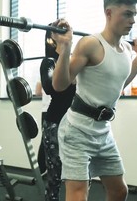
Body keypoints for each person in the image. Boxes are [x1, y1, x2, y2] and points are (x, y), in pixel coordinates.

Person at [51, 0, 137, 201]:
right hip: (77, 130)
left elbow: (118, 82)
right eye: (127, 14)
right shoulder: (91, 44)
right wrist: (65, 46)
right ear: (109, 13)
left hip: (103, 132)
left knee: (119, 191)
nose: (132, 20)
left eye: (134, 15)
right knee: (78, 193)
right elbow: (60, 84)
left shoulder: (126, 49)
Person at [39, 28, 76, 201]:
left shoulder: (75, 62)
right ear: (52, 40)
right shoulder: (48, 62)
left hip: (75, 123)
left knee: (76, 174)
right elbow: (49, 88)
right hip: (54, 123)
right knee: (55, 175)